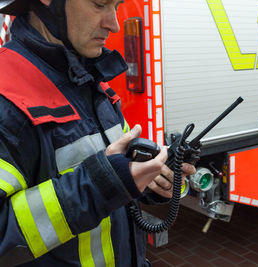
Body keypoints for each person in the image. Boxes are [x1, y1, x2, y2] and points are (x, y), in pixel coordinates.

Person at [0, 0, 195, 266]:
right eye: (100, 4)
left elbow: (116, 171)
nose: (113, 24)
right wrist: (101, 183)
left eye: (116, 6)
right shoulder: (5, 98)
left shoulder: (86, 80)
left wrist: (148, 179)